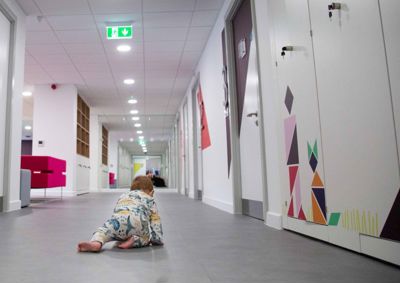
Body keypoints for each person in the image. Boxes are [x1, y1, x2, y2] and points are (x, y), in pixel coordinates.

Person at [77, 176, 163, 252]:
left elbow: (117, 211)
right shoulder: (150, 199)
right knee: (146, 238)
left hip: (117, 222)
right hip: (138, 225)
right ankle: (134, 240)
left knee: (103, 231)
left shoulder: (124, 195)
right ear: (151, 192)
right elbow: (155, 222)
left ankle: (96, 242)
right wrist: (157, 240)